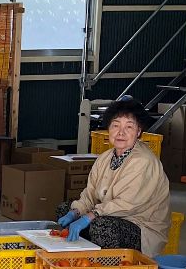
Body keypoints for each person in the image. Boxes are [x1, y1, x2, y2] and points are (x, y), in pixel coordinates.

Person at [56, 98, 170, 256]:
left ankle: (105, 268)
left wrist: (90, 216)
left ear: (138, 132)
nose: (121, 132)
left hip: (141, 226)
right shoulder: (104, 158)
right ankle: (79, 258)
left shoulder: (144, 161)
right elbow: (90, 194)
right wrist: (75, 212)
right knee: (64, 209)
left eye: (129, 126)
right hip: (108, 215)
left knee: (102, 227)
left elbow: (127, 204)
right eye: (116, 125)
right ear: (108, 129)